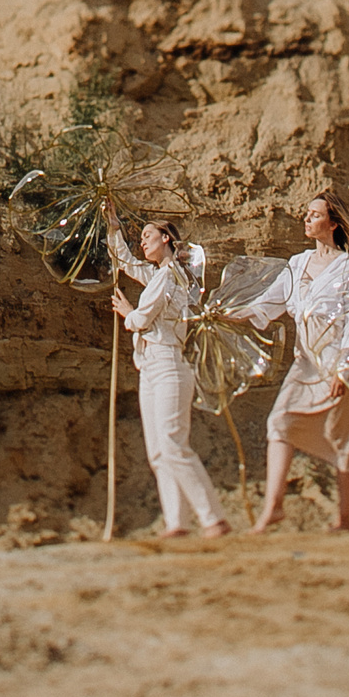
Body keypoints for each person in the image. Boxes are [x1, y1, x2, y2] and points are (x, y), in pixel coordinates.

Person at [241, 195, 349, 532]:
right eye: (305, 214)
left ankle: (345, 518)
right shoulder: (297, 263)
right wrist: (229, 313)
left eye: (314, 215)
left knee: (343, 437)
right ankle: (273, 508)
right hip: (305, 362)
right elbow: (270, 302)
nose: (306, 220)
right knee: (279, 421)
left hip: (337, 360)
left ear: (333, 223)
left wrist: (346, 367)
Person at [109, 218, 231, 539]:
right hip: (149, 367)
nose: (143, 241)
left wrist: (127, 311)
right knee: (159, 451)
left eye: (148, 235)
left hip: (168, 365)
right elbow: (125, 262)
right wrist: (112, 226)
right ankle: (177, 522)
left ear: (165, 238)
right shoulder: (157, 275)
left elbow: (141, 318)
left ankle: (213, 518)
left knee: (173, 443)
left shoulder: (171, 275)